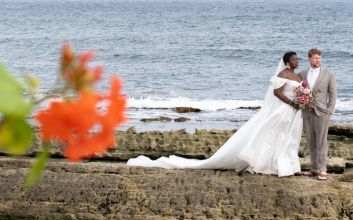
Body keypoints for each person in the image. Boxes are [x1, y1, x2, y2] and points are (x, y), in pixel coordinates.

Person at [127, 52, 304, 177]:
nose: (297, 61)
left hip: (295, 112)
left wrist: (303, 100)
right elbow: (276, 92)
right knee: (276, 136)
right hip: (284, 109)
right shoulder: (283, 73)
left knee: (289, 138)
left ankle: (289, 165)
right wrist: (292, 102)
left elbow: (302, 91)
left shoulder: (297, 76)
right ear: (288, 62)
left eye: (297, 59)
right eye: (294, 59)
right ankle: (272, 164)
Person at [296, 48, 337, 181]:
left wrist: (330, 110)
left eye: (319, 58)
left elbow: (333, 93)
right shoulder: (301, 74)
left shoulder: (328, 74)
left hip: (322, 112)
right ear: (309, 59)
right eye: (315, 58)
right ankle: (314, 168)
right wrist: (301, 103)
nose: (318, 60)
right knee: (311, 141)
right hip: (307, 112)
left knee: (321, 141)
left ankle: (323, 169)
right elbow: (297, 91)